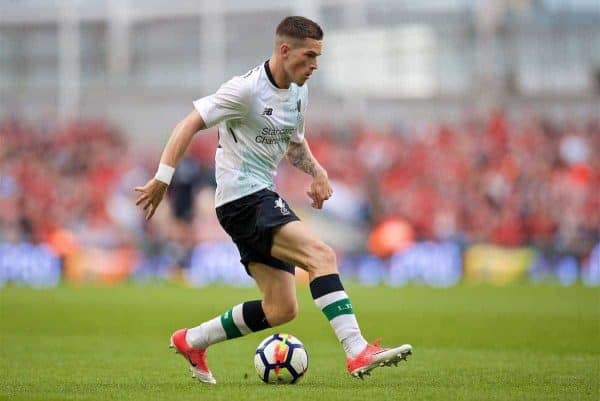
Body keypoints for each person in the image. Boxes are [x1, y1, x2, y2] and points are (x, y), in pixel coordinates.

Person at [134, 16, 412, 384]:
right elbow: (190, 123)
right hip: (242, 197)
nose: (314, 65)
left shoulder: (299, 90)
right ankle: (356, 349)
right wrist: (162, 178)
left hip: (255, 197)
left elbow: (293, 144)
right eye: (309, 56)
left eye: (318, 57)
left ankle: (192, 340)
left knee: (281, 308)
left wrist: (318, 172)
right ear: (284, 50)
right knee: (321, 256)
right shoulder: (245, 90)